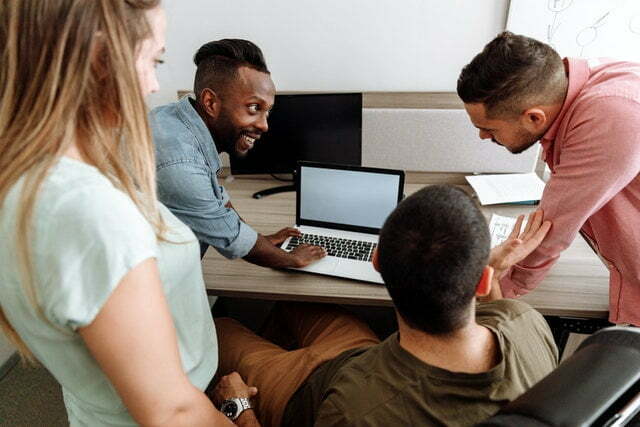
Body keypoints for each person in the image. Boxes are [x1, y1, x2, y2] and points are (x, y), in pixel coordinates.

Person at [0, 1, 259, 425]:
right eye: (154, 60)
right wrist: (241, 413)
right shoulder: (88, 211)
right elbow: (172, 412)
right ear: (101, 57)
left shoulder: (34, 176)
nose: (154, 85)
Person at [214, 185, 558, 426]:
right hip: (364, 359)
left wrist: (239, 407)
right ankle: (275, 357)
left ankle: (267, 386)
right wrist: (488, 272)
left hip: (307, 394)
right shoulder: (525, 321)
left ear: (376, 262)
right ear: (482, 282)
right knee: (295, 305)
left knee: (222, 327)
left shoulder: (355, 413)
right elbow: (499, 314)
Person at [457, 31, 640, 326]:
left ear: (534, 117)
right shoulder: (577, 85)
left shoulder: (611, 115)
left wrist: (493, 297)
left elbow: (550, 230)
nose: (482, 136)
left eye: (489, 128)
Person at [149, 39, 325, 268]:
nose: (264, 126)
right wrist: (293, 259)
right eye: (253, 107)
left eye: (267, 111)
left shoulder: (175, 118)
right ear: (210, 102)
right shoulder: (181, 164)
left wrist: (260, 240)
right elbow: (232, 240)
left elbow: (217, 204)